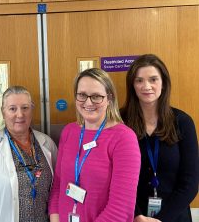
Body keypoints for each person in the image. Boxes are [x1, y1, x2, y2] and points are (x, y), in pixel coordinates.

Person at [49, 68, 141, 222]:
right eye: (82, 95)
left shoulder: (124, 138)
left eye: (96, 96)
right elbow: (58, 185)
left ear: (109, 98)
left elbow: (120, 210)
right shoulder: (69, 132)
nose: (88, 102)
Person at [120, 54, 199, 222]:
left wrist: (161, 219)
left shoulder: (182, 122)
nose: (146, 86)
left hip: (174, 215)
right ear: (132, 85)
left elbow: (190, 182)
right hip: (131, 215)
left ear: (163, 83)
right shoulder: (120, 122)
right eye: (139, 80)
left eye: (153, 79)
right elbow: (115, 178)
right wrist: (137, 215)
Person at [0, 85, 57, 222]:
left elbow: (58, 188)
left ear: (32, 110)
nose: (20, 114)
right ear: (3, 112)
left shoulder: (47, 144)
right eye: (12, 109)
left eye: (25, 108)